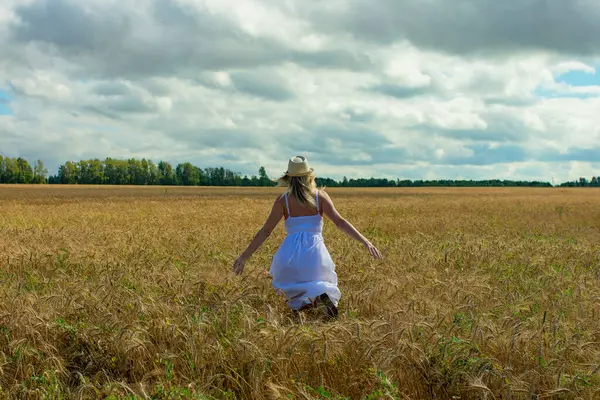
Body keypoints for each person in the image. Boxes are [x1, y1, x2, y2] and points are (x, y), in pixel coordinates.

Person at [232, 156, 383, 320]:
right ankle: (320, 303)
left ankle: (301, 319)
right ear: (308, 176)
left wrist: (243, 257)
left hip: (289, 257)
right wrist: (365, 241)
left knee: (292, 292)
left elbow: (265, 231)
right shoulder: (320, 197)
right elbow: (340, 222)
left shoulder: (283, 200)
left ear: (288, 177)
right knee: (318, 285)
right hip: (314, 254)